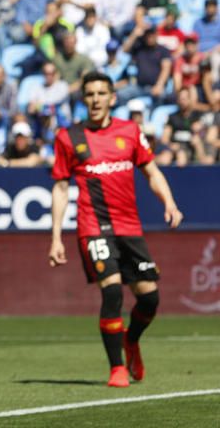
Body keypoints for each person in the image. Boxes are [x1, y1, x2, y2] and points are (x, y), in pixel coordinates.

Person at [48, 71, 183, 388]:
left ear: (112, 98)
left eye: (101, 94)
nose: (95, 100)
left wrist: (170, 203)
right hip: (93, 226)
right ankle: (116, 368)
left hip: (129, 227)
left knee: (149, 299)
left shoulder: (130, 132)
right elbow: (59, 188)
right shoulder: (69, 137)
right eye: (90, 94)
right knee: (111, 290)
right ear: (84, 100)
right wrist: (55, 237)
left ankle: (131, 340)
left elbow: (151, 171)